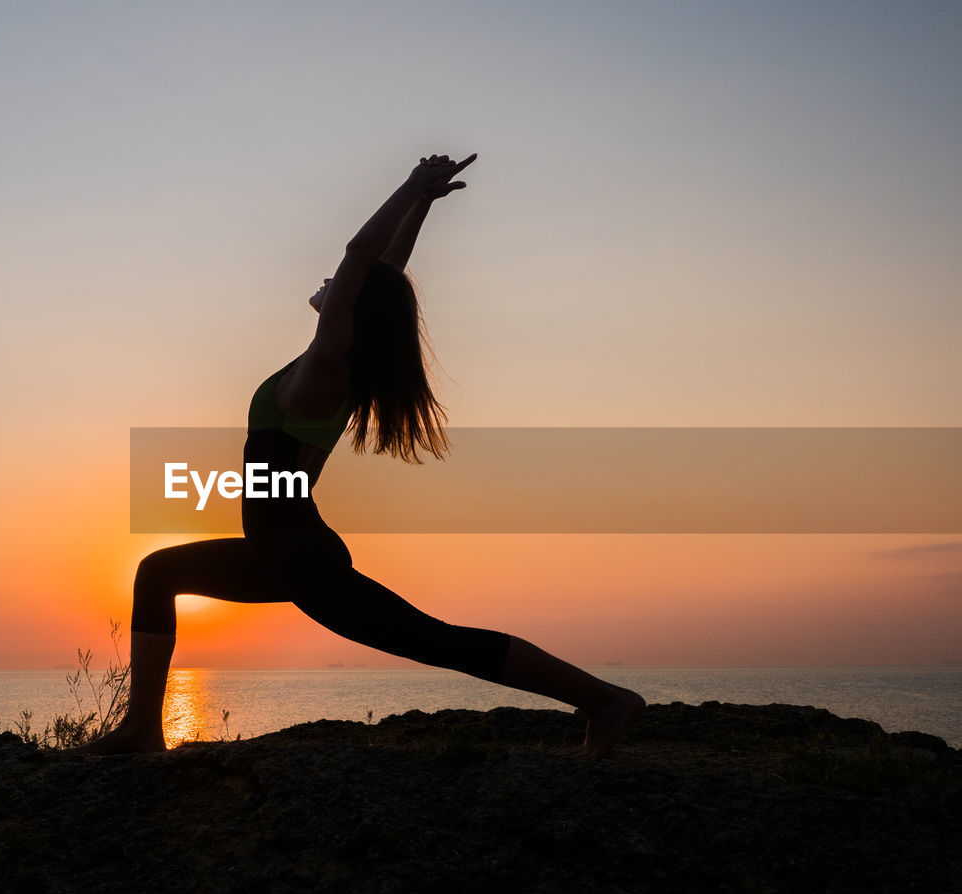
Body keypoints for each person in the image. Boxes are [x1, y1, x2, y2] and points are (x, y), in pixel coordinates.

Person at [81, 153, 645, 758]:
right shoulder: (337, 369)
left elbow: (360, 260)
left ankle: (141, 731)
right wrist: (423, 204)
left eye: (339, 288)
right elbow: (381, 273)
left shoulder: (324, 372)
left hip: (295, 556)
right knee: (438, 641)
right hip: (293, 551)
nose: (329, 283)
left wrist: (407, 188)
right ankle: (606, 702)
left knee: (160, 572)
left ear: (351, 312)